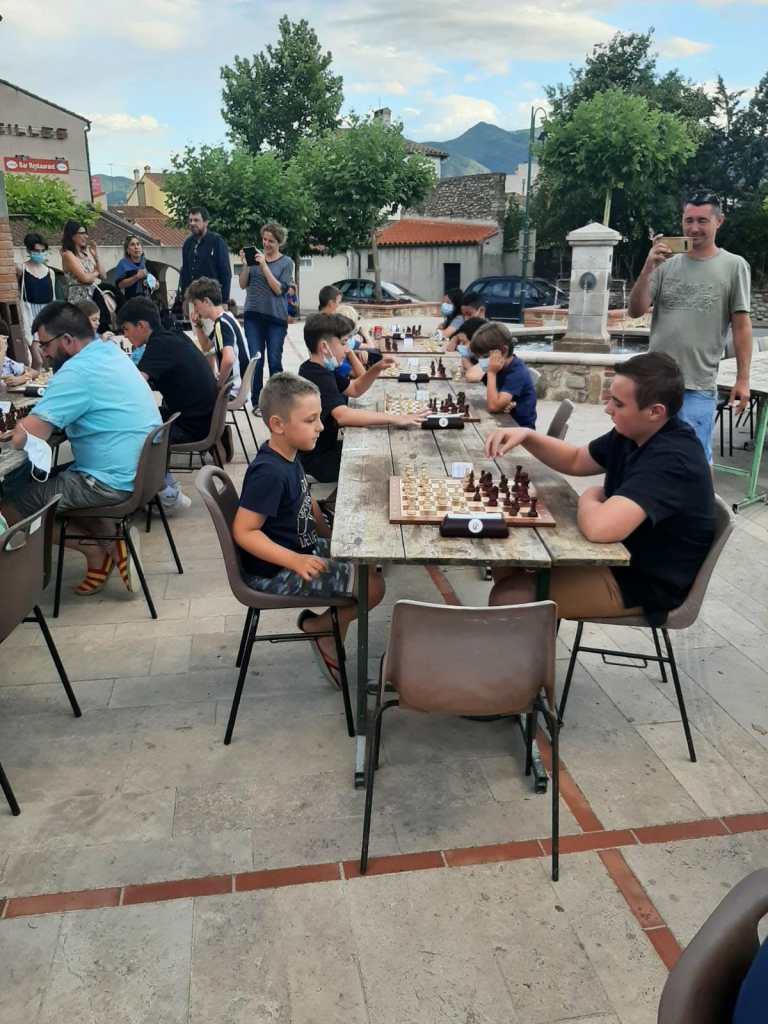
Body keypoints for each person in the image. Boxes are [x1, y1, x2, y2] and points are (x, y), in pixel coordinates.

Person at [486, 352, 715, 623]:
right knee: (506, 559)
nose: (608, 409)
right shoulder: (633, 432)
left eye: (618, 403)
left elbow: (599, 528)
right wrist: (527, 435)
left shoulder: (672, 459)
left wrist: (590, 496)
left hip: (644, 581)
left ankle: (521, 645)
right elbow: (575, 459)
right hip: (619, 556)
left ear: (655, 412)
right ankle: (529, 644)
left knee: (509, 597)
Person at [232, 371, 385, 685]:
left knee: (368, 563)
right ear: (278, 424)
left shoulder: (288, 454)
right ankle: (322, 629)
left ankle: (330, 632)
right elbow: (244, 531)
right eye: (311, 420)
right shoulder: (268, 473)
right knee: (373, 588)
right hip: (276, 571)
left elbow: (306, 499)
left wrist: (330, 535)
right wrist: (295, 560)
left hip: (301, 548)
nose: (321, 426)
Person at [1, 301, 161, 596]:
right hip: (140, 471)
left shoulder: (76, 372)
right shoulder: (110, 352)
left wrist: (20, 427)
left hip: (109, 481)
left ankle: (95, 551)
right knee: (53, 480)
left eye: (45, 345)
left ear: (66, 340)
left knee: (9, 505)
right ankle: (112, 544)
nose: (44, 353)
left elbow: (24, 438)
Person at [628, 190, 752, 462]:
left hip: (698, 384)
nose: (694, 228)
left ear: (719, 221)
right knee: (646, 454)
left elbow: (742, 326)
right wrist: (648, 267)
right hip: (655, 382)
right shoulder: (664, 264)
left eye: (702, 221)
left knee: (695, 459)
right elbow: (635, 310)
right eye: (688, 220)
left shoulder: (734, 266)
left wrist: (742, 379)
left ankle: (699, 493)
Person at [117, 296, 219, 514]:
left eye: (126, 329)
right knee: (143, 422)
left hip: (192, 424)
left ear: (141, 325)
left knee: (135, 435)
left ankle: (165, 495)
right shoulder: (172, 335)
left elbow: (135, 386)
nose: (125, 335)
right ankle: (164, 487)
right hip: (200, 415)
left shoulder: (159, 345)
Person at [298, 313, 425, 484]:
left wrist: (377, 368)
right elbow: (343, 416)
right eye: (343, 343)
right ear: (324, 347)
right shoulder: (316, 375)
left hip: (326, 450)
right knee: (383, 463)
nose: (347, 349)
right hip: (319, 461)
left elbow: (355, 388)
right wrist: (396, 418)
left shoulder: (322, 369)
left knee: (380, 446)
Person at [238, 222, 294, 410]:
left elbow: (279, 289)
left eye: (271, 241)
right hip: (253, 316)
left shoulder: (286, 263)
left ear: (279, 242)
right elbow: (242, 284)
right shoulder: (255, 260)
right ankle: (257, 402)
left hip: (276, 319)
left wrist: (264, 266)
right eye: (264, 239)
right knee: (257, 360)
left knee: (274, 360)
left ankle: (277, 403)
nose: (267, 244)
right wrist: (246, 265)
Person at [186, 277, 249, 397]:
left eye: (195, 304)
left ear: (206, 301)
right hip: (240, 386)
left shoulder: (221, 324)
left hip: (232, 389)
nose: (195, 310)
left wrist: (219, 385)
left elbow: (229, 359)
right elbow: (206, 346)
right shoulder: (227, 317)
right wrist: (198, 325)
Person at [469, 321, 537, 426]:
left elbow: (493, 406)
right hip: (502, 422)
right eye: (478, 357)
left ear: (504, 350)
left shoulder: (517, 372)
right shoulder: (500, 367)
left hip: (518, 429)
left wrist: (491, 373)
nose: (481, 360)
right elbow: (470, 375)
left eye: (485, 356)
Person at [176, 207, 231, 311]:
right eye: (191, 220)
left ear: (206, 222)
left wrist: (224, 300)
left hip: (212, 300)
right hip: (193, 300)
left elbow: (225, 273)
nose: (192, 223)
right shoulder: (188, 244)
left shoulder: (217, 242)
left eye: (196, 220)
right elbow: (185, 273)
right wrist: (185, 299)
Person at [61, 221, 108, 334]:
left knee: (94, 331)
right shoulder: (68, 254)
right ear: (72, 235)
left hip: (92, 299)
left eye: (86, 233)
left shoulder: (86, 254)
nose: (85, 236)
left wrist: (96, 257)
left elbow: (103, 275)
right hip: (78, 300)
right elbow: (85, 278)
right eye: (81, 233)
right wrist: (95, 273)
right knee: (80, 331)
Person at [17, 232, 55, 367]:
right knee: (37, 358)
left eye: (42, 251)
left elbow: (53, 298)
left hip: (45, 315)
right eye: (36, 251)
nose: (40, 254)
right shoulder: (21, 269)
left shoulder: (50, 272)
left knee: (46, 358)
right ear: (29, 251)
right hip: (29, 313)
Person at [114, 235, 156, 300]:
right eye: (132, 244)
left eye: (138, 244)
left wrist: (155, 284)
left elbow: (156, 283)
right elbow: (120, 285)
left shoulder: (148, 263)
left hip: (148, 301)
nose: (136, 247)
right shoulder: (123, 264)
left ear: (142, 248)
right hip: (130, 301)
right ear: (127, 250)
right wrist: (136, 277)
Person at [0, 318, 39, 385]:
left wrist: (21, 379)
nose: (5, 343)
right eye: (3, 339)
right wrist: (2, 351)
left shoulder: (6, 361)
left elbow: (35, 372)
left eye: (5, 339)